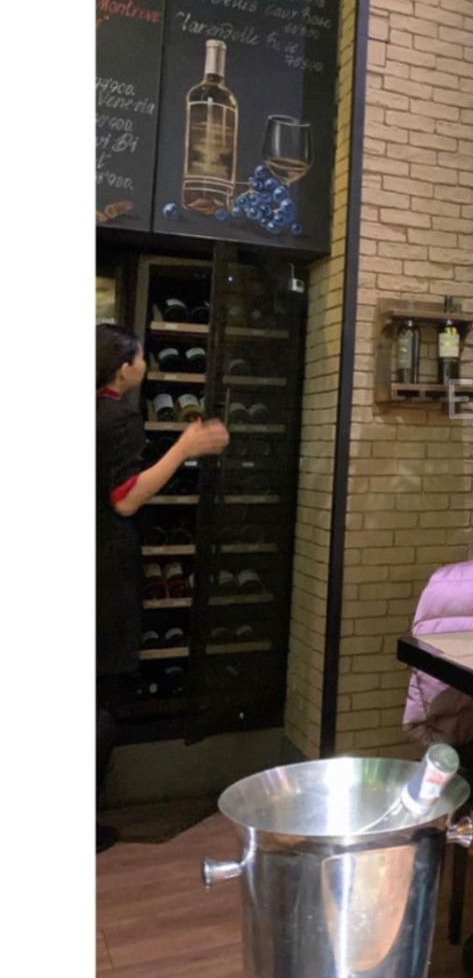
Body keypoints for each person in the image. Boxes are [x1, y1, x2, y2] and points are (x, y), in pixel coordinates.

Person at [95, 324, 229, 851]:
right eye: (139, 356)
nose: (144, 362)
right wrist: (185, 446)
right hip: (105, 568)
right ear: (123, 367)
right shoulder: (118, 415)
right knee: (102, 694)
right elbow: (126, 498)